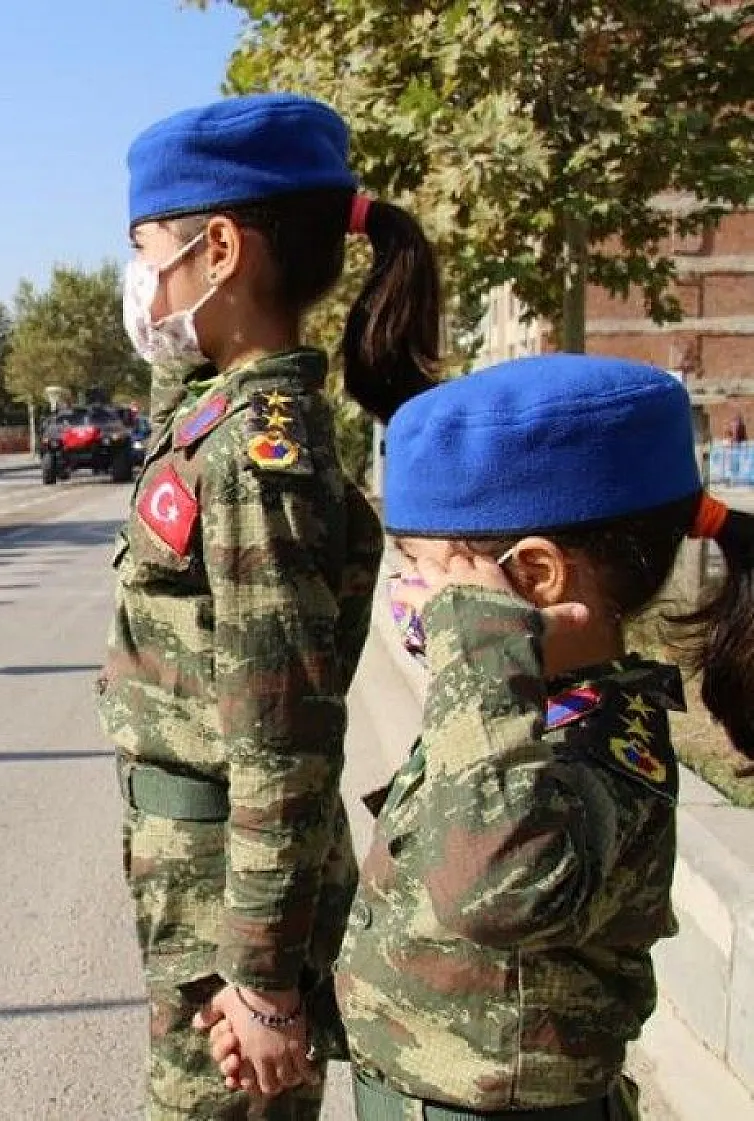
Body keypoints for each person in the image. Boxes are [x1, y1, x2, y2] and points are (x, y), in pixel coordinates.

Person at [211, 356, 754, 1120]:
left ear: (533, 576)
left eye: (426, 571)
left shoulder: (599, 744)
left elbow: (493, 892)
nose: (408, 596)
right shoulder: (508, 712)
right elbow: (439, 949)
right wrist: (301, 1013)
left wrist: (484, 642)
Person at [95, 93, 442, 1119]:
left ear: (216, 248)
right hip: (194, 880)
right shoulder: (218, 413)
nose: (136, 274)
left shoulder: (257, 451)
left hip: (225, 900)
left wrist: (260, 975)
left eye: (143, 244)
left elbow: (282, 733)